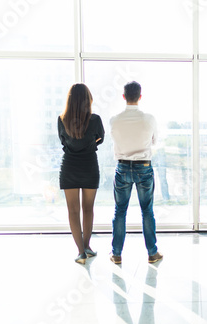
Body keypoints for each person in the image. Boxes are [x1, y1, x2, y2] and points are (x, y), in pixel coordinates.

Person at [109, 81, 162, 265]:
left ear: (124, 97)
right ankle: (152, 253)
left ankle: (116, 254)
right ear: (140, 96)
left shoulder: (114, 120)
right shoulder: (149, 119)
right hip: (143, 167)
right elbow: (154, 141)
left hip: (122, 167)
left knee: (120, 211)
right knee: (147, 211)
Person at [58, 83, 104, 264]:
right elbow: (100, 138)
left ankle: (81, 252)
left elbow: (63, 141)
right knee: (88, 209)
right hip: (90, 165)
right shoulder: (95, 119)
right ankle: (87, 246)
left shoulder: (61, 119)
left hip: (69, 166)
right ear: (87, 99)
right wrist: (90, 144)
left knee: (73, 211)